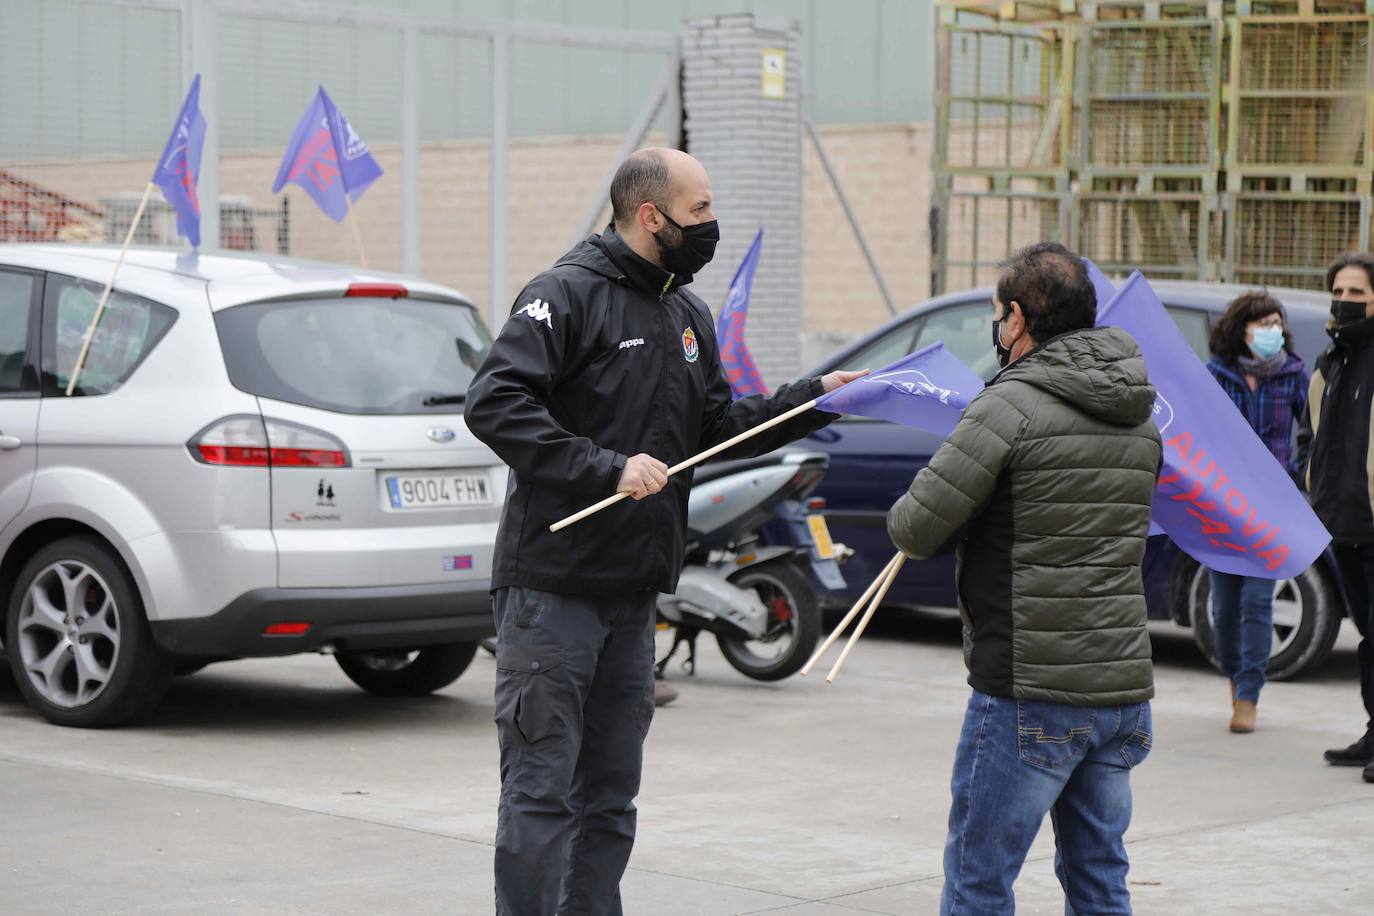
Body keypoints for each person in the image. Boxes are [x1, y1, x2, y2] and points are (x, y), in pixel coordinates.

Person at [464, 147, 862, 916]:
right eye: (701, 210)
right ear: (653, 216)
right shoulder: (564, 294)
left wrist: (818, 398)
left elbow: (718, 427)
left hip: (633, 595)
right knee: (541, 796)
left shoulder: (686, 314)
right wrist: (603, 467)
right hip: (552, 590)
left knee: (610, 799)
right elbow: (495, 401)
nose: (712, 225)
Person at [886, 242, 1161, 914]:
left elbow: (914, 528)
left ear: (1016, 318)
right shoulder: (1139, 413)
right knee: (1100, 878)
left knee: (979, 878)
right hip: (1120, 689)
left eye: (996, 313)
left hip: (1030, 688)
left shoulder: (1009, 406)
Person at [1204, 292, 1308, 733]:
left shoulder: (1294, 376)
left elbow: (1313, 431)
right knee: (1224, 609)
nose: (1271, 331)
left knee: (1257, 602)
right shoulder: (1216, 376)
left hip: (1271, 507)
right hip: (1224, 508)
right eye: (1261, 323)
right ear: (1240, 330)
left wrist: (1297, 480)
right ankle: (1234, 677)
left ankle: (1248, 694)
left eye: (1277, 323)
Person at [1301, 252, 1374, 781]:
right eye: (1340, 292)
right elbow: (1315, 434)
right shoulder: (1332, 358)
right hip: (1342, 521)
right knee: (1369, 634)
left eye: (1358, 294)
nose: (1345, 302)